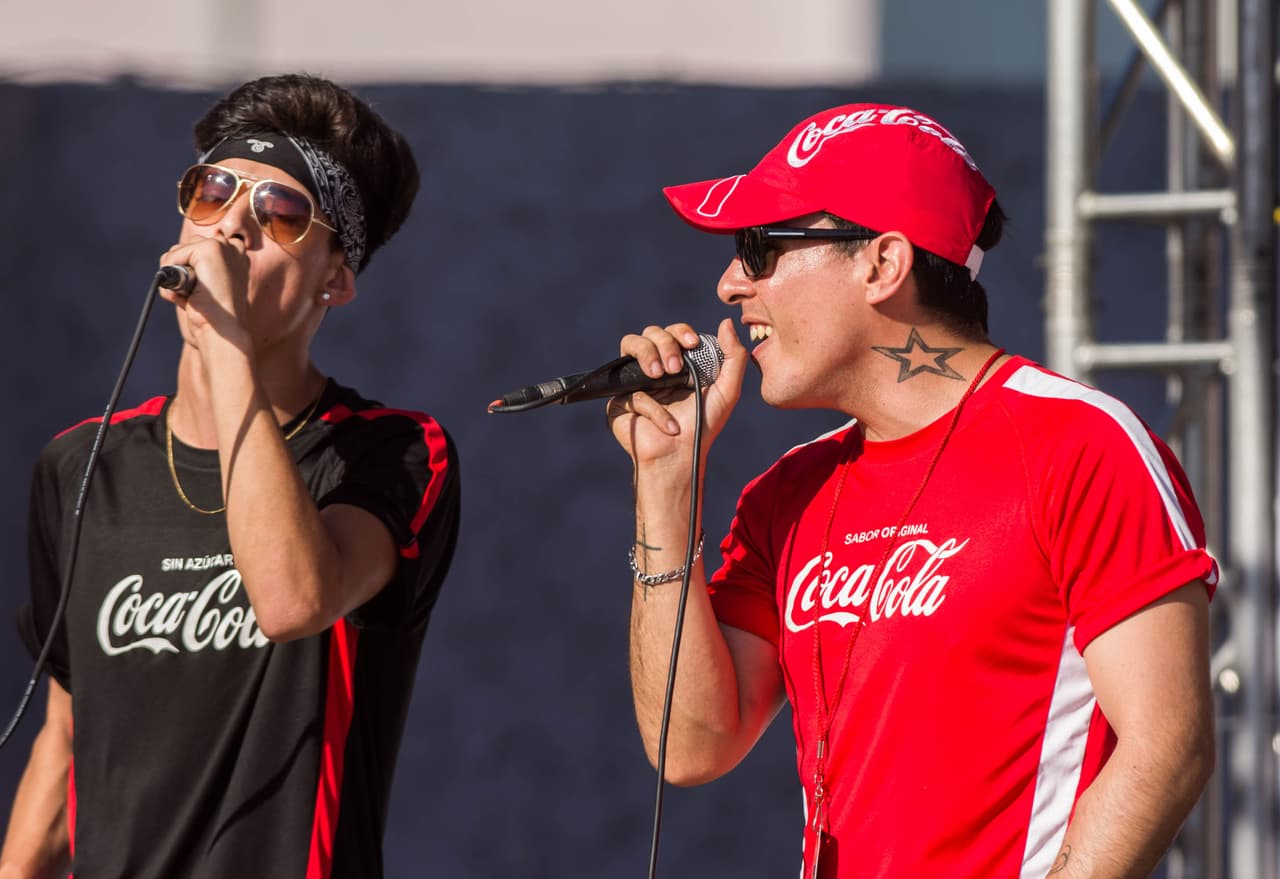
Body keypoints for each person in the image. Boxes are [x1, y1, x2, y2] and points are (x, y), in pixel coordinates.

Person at [607, 104, 1216, 878]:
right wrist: (665, 486)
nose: (730, 284)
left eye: (760, 248)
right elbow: (691, 745)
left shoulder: (1080, 446)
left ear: (883, 264)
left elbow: (1167, 745)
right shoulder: (787, 493)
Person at [0, 74, 460, 878]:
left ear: (335, 278)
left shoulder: (390, 452)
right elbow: (68, 738)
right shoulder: (82, 466)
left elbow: (293, 600)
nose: (233, 226)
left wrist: (227, 343)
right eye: (213, 192)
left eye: (280, 212)